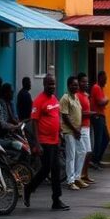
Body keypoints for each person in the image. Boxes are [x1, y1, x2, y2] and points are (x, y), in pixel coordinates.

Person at [23, 74, 68, 211]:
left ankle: (54, 199)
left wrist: (59, 133)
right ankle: (32, 190)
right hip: (43, 141)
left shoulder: (54, 99)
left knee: (51, 169)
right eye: (49, 84)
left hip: (54, 140)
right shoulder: (38, 101)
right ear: (44, 85)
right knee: (50, 169)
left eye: (53, 84)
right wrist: (37, 143)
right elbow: (34, 122)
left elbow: (56, 117)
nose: (52, 86)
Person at [60, 76, 87, 191]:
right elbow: (65, 117)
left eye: (77, 85)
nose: (76, 86)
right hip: (69, 131)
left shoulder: (76, 97)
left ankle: (77, 177)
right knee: (71, 156)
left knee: (82, 151)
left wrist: (79, 128)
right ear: (69, 85)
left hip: (77, 131)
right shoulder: (65, 98)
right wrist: (75, 129)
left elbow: (78, 113)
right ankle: (70, 181)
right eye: (74, 85)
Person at [76, 73, 94, 184]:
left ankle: (84, 174)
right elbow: (78, 113)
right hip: (80, 127)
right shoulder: (77, 96)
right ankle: (78, 176)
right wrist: (91, 114)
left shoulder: (86, 95)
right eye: (83, 81)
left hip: (87, 126)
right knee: (82, 152)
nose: (85, 84)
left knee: (88, 152)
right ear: (78, 82)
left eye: (86, 82)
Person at [89, 71, 110, 169]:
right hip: (97, 116)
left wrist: (105, 99)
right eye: (105, 78)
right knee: (99, 139)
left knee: (106, 138)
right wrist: (107, 100)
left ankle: (97, 159)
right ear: (100, 77)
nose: (106, 80)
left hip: (101, 116)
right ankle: (94, 160)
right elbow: (101, 102)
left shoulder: (100, 88)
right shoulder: (96, 87)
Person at [0, 83, 22, 152]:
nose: (13, 94)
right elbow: (2, 124)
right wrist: (14, 127)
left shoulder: (8, 103)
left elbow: (12, 118)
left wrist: (18, 124)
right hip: (1, 136)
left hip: (6, 134)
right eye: (11, 92)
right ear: (6, 93)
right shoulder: (1, 104)